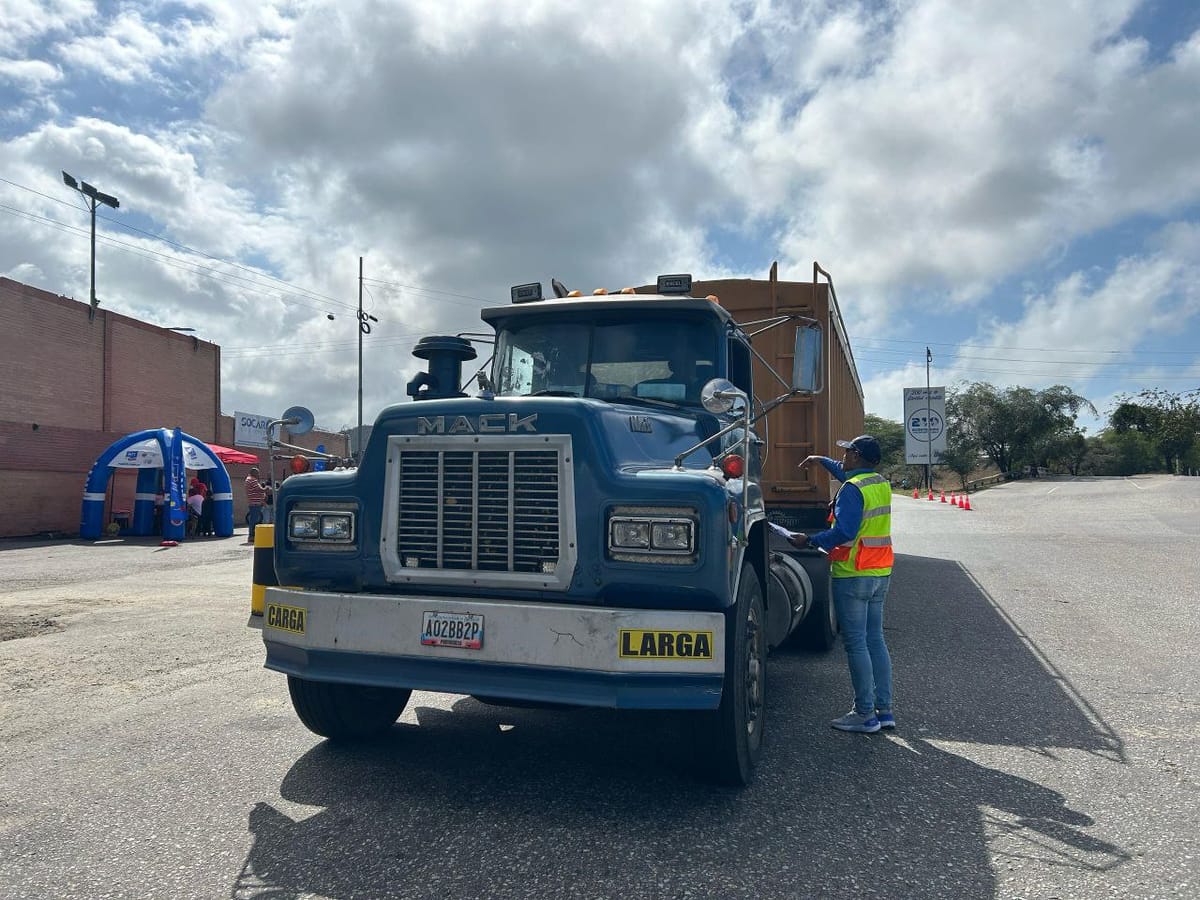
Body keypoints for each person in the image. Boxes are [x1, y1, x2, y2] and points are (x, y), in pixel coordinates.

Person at [787, 434, 894, 734]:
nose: (844, 457)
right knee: (875, 640)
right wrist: (822, 461)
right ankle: (884, 710)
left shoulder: (851, 490)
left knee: (856, 643)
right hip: (879, 570)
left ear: (857, 456)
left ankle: (864, 713)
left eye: (848, 453)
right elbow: (845, 473)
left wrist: (809, 539)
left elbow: (844, 531)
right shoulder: (878, 482)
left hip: (853, 572)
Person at [244, 466, 268, 541]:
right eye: (258, 473)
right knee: (254, 520)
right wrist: (265, 489)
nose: (259, 474)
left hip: (254, 502)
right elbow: (259, 489)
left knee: (255, 519)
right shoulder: (252, 480)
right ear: (254, 473)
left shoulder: (249, 479)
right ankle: (252, 535)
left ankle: (253, 534)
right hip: (255, 503)